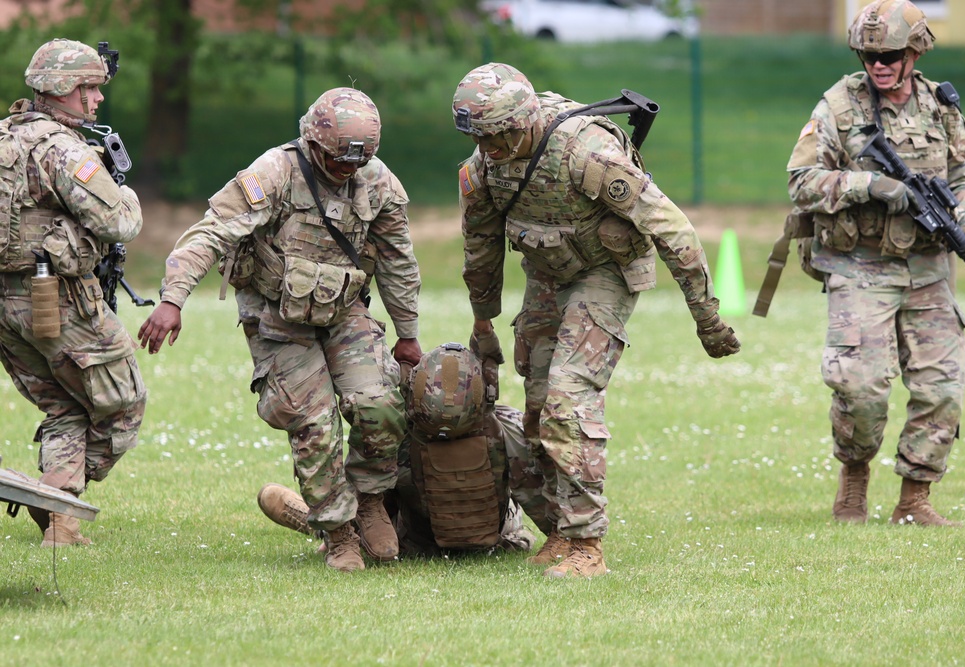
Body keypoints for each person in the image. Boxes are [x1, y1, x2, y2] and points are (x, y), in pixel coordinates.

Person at [451, 63, 741, 578]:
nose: (488, 148)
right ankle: (560, 531)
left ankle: (588, 544)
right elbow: (480, 247)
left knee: (568, 396)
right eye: (480, 137)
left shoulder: (587, 155)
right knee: (539, 407)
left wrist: (708, 320)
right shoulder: (485, 169)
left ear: (523, 121)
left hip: (605, 271)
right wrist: (483, 322)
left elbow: (673, 230)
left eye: (497, 136)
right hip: (547, 271)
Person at [137, 88, 422, 571]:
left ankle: (370, 498)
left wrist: (408, 332)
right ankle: (338, 531)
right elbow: (210, 233)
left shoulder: (378, 182)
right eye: (338, 161)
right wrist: (172, 298)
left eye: (359, 160)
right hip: (277, 315)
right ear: (314, 144)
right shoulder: (274, 172)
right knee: (312, 421)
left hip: (344, 310)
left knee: (380, 404)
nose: (347, 170)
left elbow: (397, 259)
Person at [786, 0, 965, 526]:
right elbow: (801, 182)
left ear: (915, 52)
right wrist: (870, 185)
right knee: (860, 386)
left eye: (892, 53)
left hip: (927, 269)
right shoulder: (839, 106)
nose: (879, 63)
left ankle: (915, 498)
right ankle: (854, 480)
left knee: (943, 386)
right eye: (870, 53)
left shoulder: (942, 107)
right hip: (859, 265)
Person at [0, 39, 146, 547]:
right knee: (124, 402)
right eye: (89, 87)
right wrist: (125, 190)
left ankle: (61, 522)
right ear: (63, 89)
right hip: (56, 298)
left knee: (64, 406)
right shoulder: (62, 149)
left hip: (6, 306)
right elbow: (118, 220)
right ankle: (54, 500)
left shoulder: (4, 138)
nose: (98, 99)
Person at [257, 342, 549, 558]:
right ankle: (328, 524)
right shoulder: (506, 425)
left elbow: (369, 491)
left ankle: (322, 523)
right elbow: (536, 496)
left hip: (427, 541)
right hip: (486, 539)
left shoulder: (402, 432)